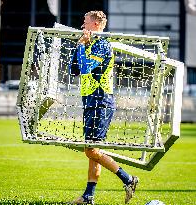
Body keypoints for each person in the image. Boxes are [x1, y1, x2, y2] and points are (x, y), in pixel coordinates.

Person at [69, 11, 138, 204]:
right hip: (90, 101)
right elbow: (74, 68)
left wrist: (83, 45)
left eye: (86, 22)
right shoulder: (88, 42)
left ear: (97, 24)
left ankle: (128, 179)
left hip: (101, 101)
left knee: (91, 151)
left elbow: (84, 68)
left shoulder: (102, 44)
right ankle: (88, 196)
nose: (83, 24)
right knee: (93, 151)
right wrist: (80, 45)